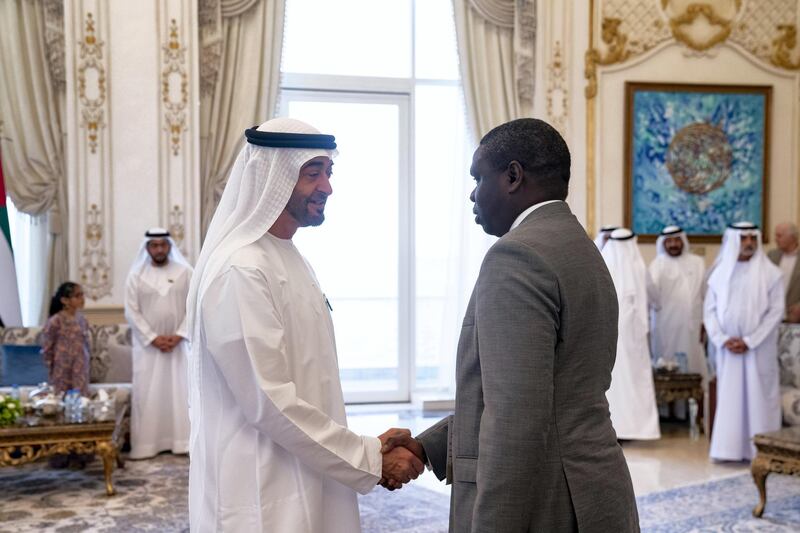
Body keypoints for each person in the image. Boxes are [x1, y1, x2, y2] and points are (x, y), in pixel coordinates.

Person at [382, 119, 639, 532]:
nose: (472, 193)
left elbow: (517, 419)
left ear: (513, 176)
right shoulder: (578, 245)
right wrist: (427, 447)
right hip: (594, 488)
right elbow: (548, 394)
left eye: (478, 177)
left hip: (549, 500)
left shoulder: (516, 257)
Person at [185, 118, 423, 533]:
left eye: (328, 173)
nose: (327, 187)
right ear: (272, 178)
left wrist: (359, 452)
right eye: (312, 174)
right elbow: (268, 399)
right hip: (263, 480)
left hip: (310, 464)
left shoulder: (287, 255)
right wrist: (367, 456)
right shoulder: (241, 268)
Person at [705, 222, 783, 461]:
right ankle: (728, 450)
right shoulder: (719, 274)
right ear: (734, 241)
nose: (749, 243)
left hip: (759, 350)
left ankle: (763, 451)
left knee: (760, 399)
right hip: (729, 351)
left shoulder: (771, 273)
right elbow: (709, 311)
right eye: (744, 238)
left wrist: (750, 340)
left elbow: (776, 311)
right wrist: (723, 339)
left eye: (753, 238)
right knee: (731, 400)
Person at [124, 228, 192, 459]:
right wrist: (153, 338)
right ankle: (148, 445)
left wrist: (180, 334)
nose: (159, 249)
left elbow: (194, 306)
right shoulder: (136, 276)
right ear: (147, 248)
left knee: (181, 393)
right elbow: (132, 312)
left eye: (163, 245)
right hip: (148, 349)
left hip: (179, 346)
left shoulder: (185, 272)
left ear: (170, 246)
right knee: (149, 394)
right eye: (155, 245)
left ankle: (183, 443)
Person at [602, 228, 661, 441]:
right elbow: (655, 296)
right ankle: (631, 428)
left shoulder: (603, 261)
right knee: (629, 382)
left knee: (621, 382)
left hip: (615, 335)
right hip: (631, 336)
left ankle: (623, 428)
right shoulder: (637, 264)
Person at [649, 225, 707, 381]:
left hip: (692, 326)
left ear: (683, 241)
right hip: (665, 326)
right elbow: (652, 296)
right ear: (663, 243)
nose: (673, 244)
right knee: (667, 366)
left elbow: (706, 295)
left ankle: (692, 403)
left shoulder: (697, 263)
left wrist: (704, 323)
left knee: (693, 364)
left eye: (676, 240)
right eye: (669, 241)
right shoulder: (657, 265)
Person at [41, 282, 90, 396]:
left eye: (82, 295)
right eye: (77, 296)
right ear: (65, 300)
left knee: (80, 397)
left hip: (80, 364)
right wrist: (51, 366)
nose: (82, 299)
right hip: (62, 365)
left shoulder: (82, 320)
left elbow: (85, 343)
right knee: (62, 396)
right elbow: (47, 346)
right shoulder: (56, 321)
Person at [768, 221, 800, 321]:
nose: (775, 239)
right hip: (772, 316)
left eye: (779, 236)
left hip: (795, 317)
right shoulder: (771, 256)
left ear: (792, 237)